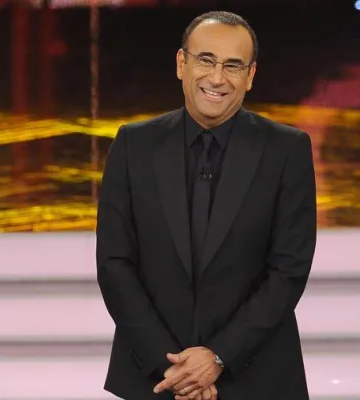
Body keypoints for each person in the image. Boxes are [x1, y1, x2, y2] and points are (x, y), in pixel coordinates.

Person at [96, 11, 316, 400]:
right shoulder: (134, 145)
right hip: (157, 378)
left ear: (250, 75)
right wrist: (171, 366)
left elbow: (288, 270)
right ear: (181, 63)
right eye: (206, 60)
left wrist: (217, 357)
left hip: (256, 378)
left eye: (233, 66)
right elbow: (114, 263)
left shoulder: (287, 150)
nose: (217, 78)